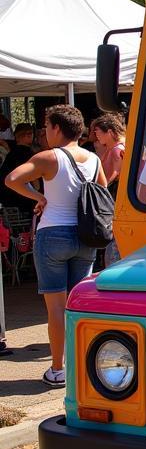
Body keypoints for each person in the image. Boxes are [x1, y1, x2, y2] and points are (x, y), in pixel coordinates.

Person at [4, 105, 107, 385]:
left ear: (57, 129)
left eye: (47, 127)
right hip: (85, 237)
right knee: (79, 305)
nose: (45, 133)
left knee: (56, 308)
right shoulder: (94, 159)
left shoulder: (48, 157)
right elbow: (102, 191)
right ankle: (83, 365)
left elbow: (11, 180)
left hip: (53, 234)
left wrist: (38, 196)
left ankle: (58, 368)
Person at [90, 114, 127, 264]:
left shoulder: (116, 150)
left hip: (114, 203)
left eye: (97, 131)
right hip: (123, 202)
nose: (95, 135)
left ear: (110, 132)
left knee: (114, 250)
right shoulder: (125, 145)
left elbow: (109, 178)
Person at [0, 123, 38, 214]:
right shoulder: (28, 154)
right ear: (28, 135)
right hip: (24, 202)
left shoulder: (10, 155)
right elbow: (35, 182)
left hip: (7, 202)